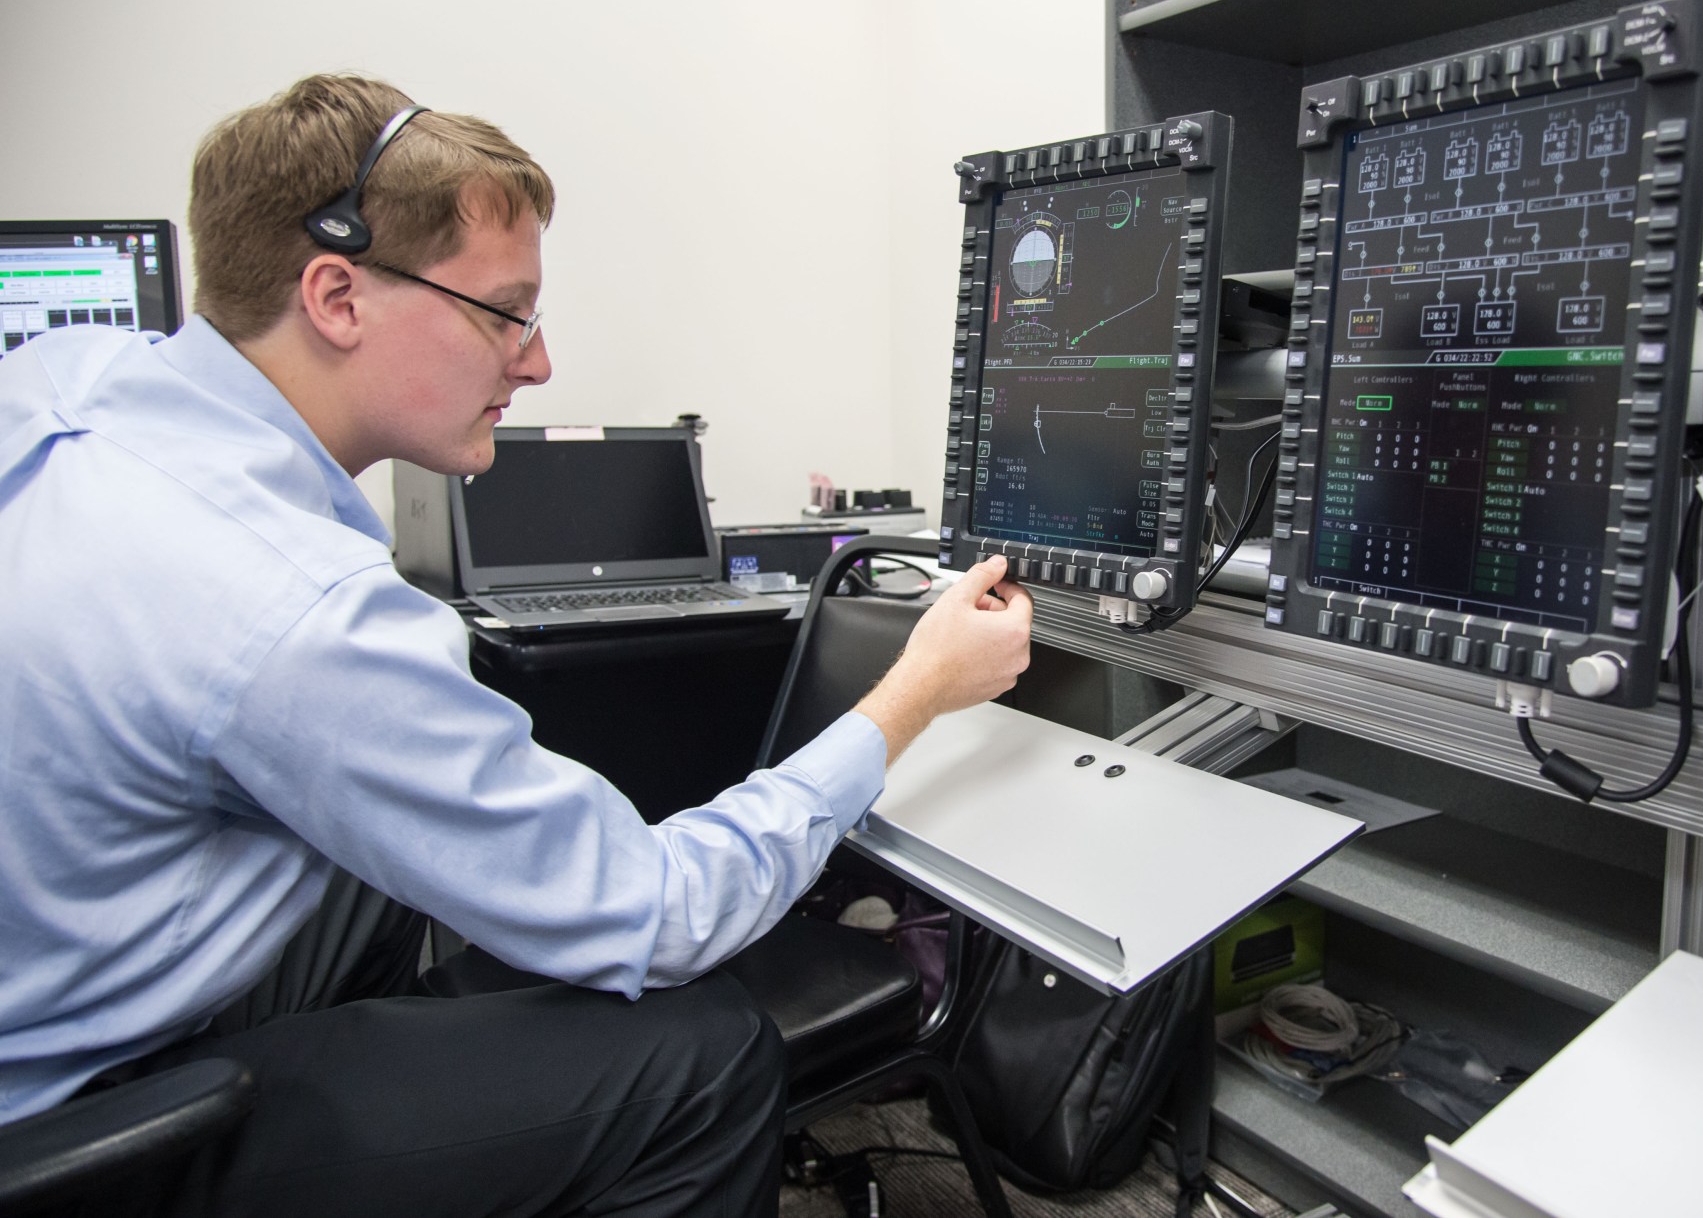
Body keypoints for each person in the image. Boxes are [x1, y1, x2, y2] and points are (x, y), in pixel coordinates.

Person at [0, 74, 1033, 1217]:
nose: (535, 363)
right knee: (702, 1058)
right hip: (71, 1126)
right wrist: (911, 697)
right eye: (505, 312)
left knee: (386, 872)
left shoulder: (64, 382)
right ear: (337, 295)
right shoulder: (293, 608)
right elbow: (663, 914)